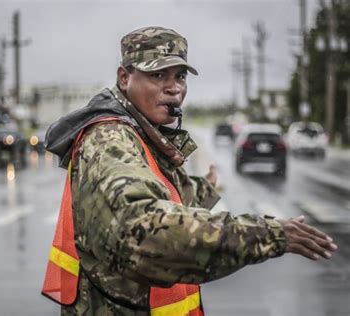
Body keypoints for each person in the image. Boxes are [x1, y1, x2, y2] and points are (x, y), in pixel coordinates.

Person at [42, 26, 337, 316]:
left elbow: (157, 190)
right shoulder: (111, 141)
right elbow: (144, 231)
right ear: (124, 77)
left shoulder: (140, 132)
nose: (174, 88)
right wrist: (270, 234)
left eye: (180, 76)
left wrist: (203, 188)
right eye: (158, 75)